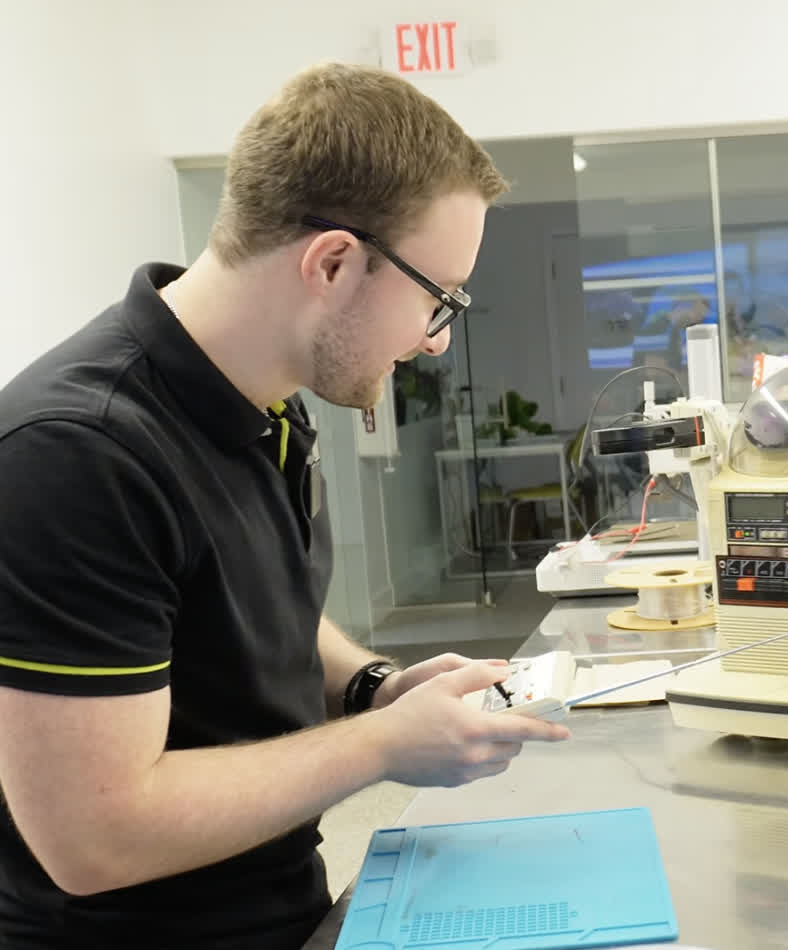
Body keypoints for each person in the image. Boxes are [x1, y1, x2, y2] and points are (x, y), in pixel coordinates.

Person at [0, 63, 570, 949]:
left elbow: (247, 612)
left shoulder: (267, 404)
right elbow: (93, 835)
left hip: (287, 909)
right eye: (438, 298)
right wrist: (383, 746)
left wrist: (376, 689)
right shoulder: (76, 454)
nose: (435, 341)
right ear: (332, 263)